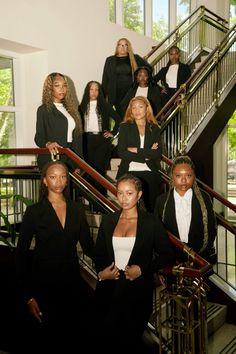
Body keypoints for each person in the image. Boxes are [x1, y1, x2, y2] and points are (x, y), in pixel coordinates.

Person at [15, 161, 95, 354]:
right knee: (46, 340)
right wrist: (27, 296)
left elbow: (89, 247)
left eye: (62, 176)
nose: (58, 181)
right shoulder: (34, 212)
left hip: (71, 282)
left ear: (67, 180)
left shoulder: (76, 209)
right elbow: (20, 256)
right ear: (44, 181)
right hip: (42, 283)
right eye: (53, 176)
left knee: (70, 337)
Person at [93, 173, 175, 354]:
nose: (123, 198)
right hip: (108, 291)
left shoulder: (151, 221)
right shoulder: (108, 220)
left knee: (129, 342)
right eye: (120, 192)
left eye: (129, 193)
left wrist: (142, 269)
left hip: (137, 292)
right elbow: (99, 254)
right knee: (106, 342)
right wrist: (101, 273)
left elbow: (167, 254)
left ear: (139, 195)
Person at [154, 155, 217, 263]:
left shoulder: (204, 198)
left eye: (188, 175)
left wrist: (200, 256)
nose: (183, 180)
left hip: (199, 258)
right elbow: (157, 233)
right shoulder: (161, 201)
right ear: (172, 176)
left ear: (194, 176)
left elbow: (211, 229)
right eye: (178, 175)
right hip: (171, 259)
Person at [116, 96, 163, 212]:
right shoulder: (125, 127)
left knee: (151, 209)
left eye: (140, 107)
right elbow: (122, 152)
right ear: (130, 110)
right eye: (134, 108)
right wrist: (146, 155)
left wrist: (137, 150)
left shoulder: (154, 128)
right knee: (132, 210)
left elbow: (157, 153)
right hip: (129, 171)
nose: (137, 110)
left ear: (147, 109)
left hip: (150, 172)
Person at [79, 80, 121, 198]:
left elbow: (118, 119)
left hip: (102, 141)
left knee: (99, 172)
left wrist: (113, 133)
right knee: (88, 171)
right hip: (86, 141)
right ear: (87, 91)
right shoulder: (81, 107)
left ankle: (101, 201)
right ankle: (90, 198)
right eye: (91, 89)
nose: (94, 92)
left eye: (97, 89)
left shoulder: (105, 106)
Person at [34, 72, 83, 171]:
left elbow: (77, 138)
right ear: (50, 88)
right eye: (57, 85)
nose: (62, 89)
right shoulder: (44, 109)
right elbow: (38, 137)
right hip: (53, 157)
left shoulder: (72, 110)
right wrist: (48, 144)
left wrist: (79, 164)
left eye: (64, 86)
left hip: (70, 156)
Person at [102, 37, 152, 116]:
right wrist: (103, 96)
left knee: (130, 117)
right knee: (119, 118)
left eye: (125, 45)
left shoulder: (135, 58)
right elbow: (105, 79)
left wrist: (142, 79)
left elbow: (149, 68)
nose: (123, 47)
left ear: (128, 47)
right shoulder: (110, 60)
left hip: (130, 94)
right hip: (115, 95)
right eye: (120, 45)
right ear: (117, 47)